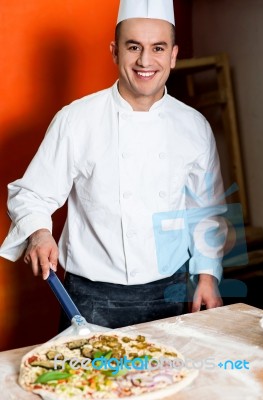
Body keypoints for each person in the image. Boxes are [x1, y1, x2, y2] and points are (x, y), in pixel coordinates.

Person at [0, 0, 226, 329]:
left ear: (173, 55)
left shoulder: (195, 126)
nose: (145, 61)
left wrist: (208, 275)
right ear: (114, 51)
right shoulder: (76, 119)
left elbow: (208, 212)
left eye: (158, 48)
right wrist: (38, 233)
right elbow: (30, 194)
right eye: (133, 47)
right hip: (90, 297)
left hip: (172, 294)